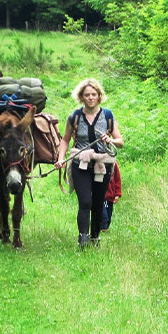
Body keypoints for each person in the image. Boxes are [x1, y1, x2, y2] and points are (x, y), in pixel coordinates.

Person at [55, 78, 124, 248]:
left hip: (103, 165)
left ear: (99, 96)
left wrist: (111, 140)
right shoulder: (75, 116)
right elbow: (64, 140)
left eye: (94, 94)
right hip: (81, 163)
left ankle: (95, 237)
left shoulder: (108, 115)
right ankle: (83, 238)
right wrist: (61, 158)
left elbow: (120, 141)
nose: (90, 98)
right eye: (87, 95)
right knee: (85, 201)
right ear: (81, 97)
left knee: (99, 202)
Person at [101, 161, 121, 232]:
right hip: (101, 196)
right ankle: (103, 227)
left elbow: (117, 180)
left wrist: (117, 194)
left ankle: (106, 226)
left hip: (110, 196)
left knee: (109, 214)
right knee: (104, 215)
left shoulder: (113, 163)